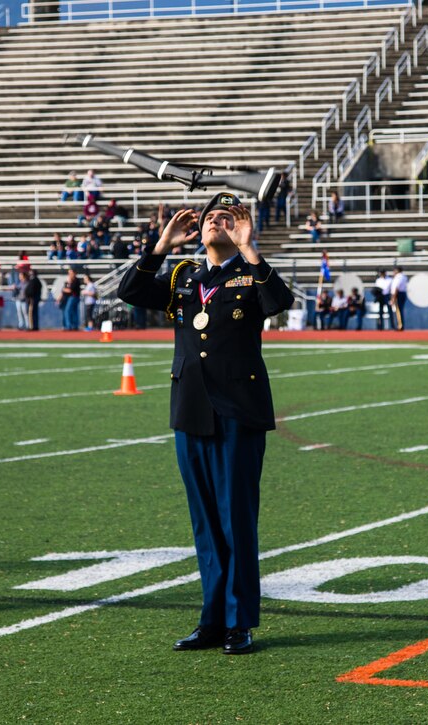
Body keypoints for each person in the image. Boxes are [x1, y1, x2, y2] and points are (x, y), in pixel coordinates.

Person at [118, 192, 294, 655]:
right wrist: (161, 245)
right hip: (191, 408)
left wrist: (250, 247)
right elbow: (130, 292)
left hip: (238, 408)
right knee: (205, 523)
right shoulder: (183, 274)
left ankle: (239, 622)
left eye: (227, 217)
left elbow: (279, 301)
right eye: (210, 217)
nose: (216, 222)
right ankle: (212, 619)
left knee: (236, 519)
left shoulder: (248, 272)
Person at [390, 265, 408, 331]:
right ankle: (400, 325)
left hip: (398, 294)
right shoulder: (404, 276)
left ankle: (400, 325)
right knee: (400, 310)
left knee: (398, 311)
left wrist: (393, 298)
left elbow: (396, 288)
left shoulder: (398, 277)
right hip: (402, 293)